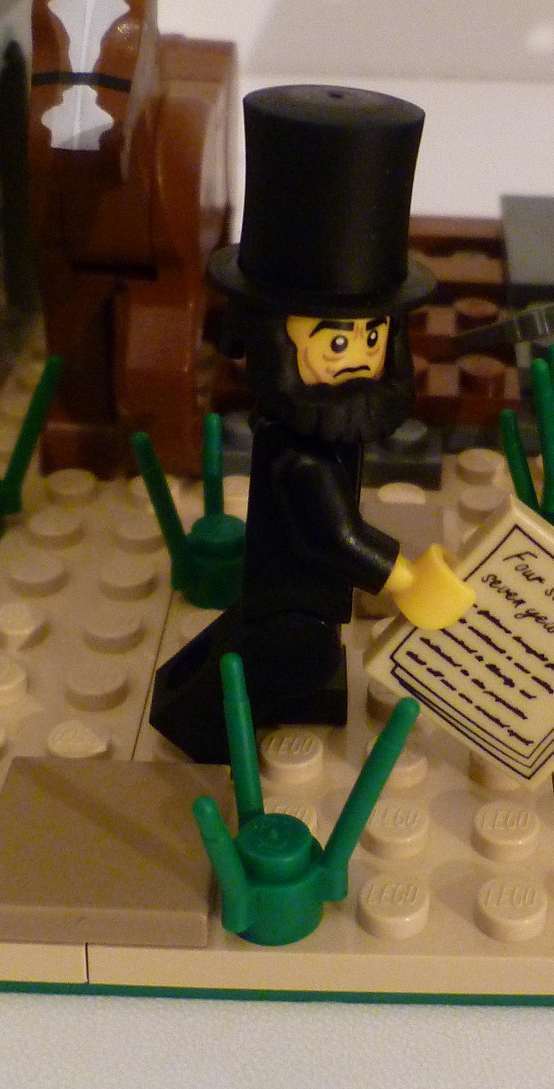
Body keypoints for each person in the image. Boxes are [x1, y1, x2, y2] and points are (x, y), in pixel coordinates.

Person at [149, 84, 471, 762]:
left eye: (372, 338)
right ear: (274, 342)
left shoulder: (319, 433)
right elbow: (335, 537)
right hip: (297, 609)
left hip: (286, 598)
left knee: (282, 649)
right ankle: (204, 730)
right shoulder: (303, 458)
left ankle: (227, 703)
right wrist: (408, 583)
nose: (357, 358)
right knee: (292, 657)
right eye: (335, 341)